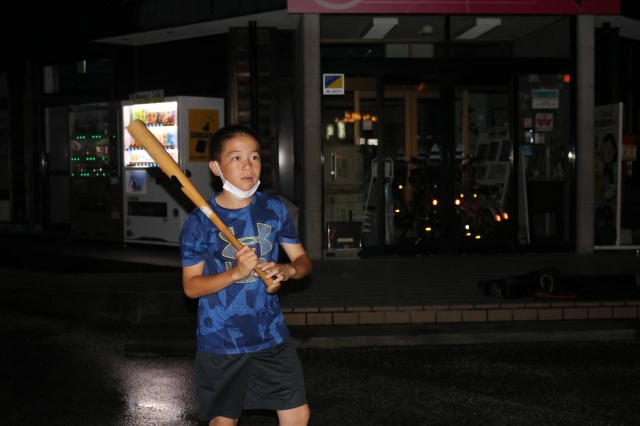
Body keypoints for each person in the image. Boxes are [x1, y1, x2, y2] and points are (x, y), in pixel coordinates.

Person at [179, 124, 313, 426]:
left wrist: (287, 269)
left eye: (254, 157)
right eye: (236, 157)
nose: (248, 166)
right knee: (224, 421)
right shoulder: (199, 222)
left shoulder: (274, 209)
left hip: (271, 334)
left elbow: (303, 261)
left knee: (298, 414)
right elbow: (191, 287)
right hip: (221, 339)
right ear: (216, 167)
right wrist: (236, 273)